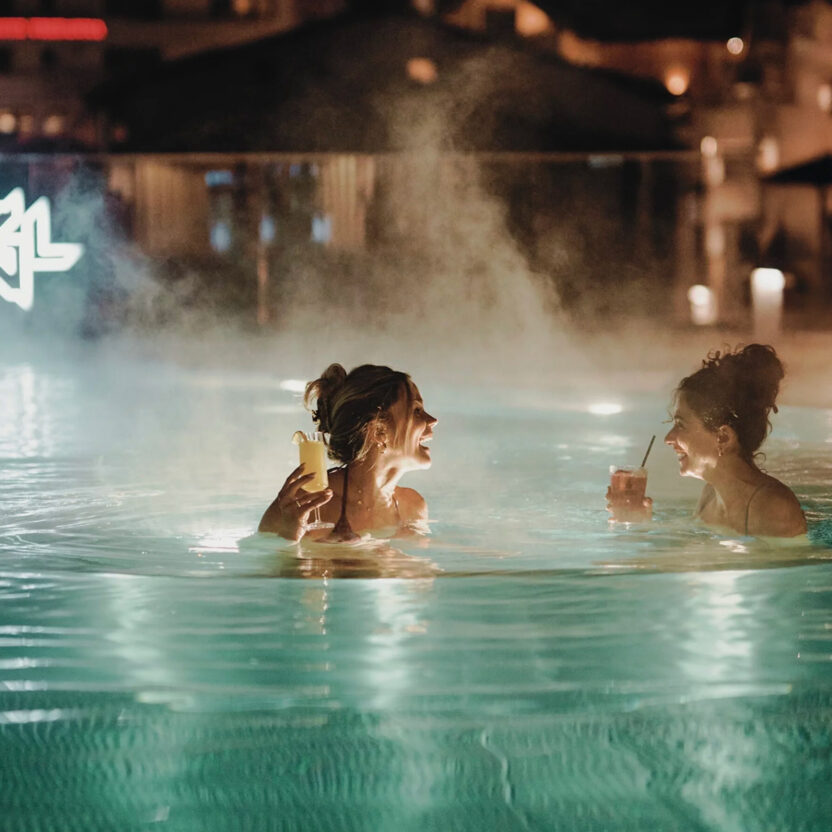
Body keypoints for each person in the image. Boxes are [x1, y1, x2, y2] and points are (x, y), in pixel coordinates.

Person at [259, 363, 437, 542]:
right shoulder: (304, 505)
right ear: (378, 431)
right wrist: (289, 535)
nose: (433, 420)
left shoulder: (412, 508)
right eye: (417, 411)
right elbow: (265, 566)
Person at [662, 344, 806, 538]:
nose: (668, 439)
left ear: (723, 437)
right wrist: (634, 519)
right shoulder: (710, 496)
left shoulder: (773, 508)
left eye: (681, 425)